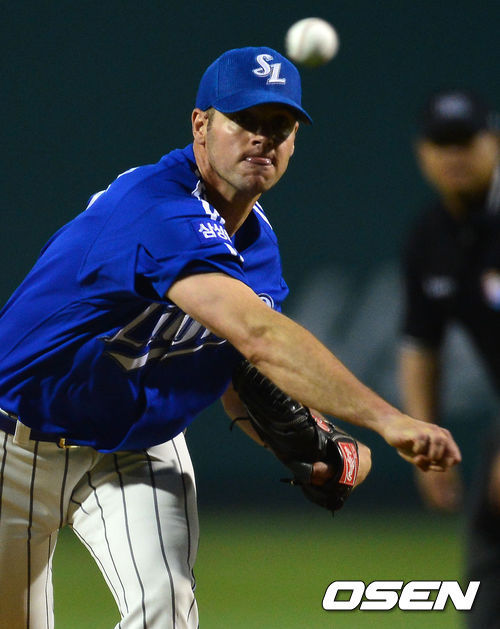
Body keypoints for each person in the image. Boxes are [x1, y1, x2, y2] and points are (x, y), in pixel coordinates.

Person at [0, 46, 460, 629]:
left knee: (167, 614)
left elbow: (241, 376)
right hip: (15, 442)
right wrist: (387, 420)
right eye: (244, 120)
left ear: (294, 141)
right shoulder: (155, 208)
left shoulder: (257, 247)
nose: (262, 138)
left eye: (280, 125)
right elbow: (259, 335)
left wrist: (316, 445)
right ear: (200, 124)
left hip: (137, 448)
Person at [399, 88, 500, 628]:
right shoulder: (430, 237)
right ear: (423, 154)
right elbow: (422, 346)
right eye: (442, 143)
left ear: (494, 143)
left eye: (466, 141)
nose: (455, 155)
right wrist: (423, 439)